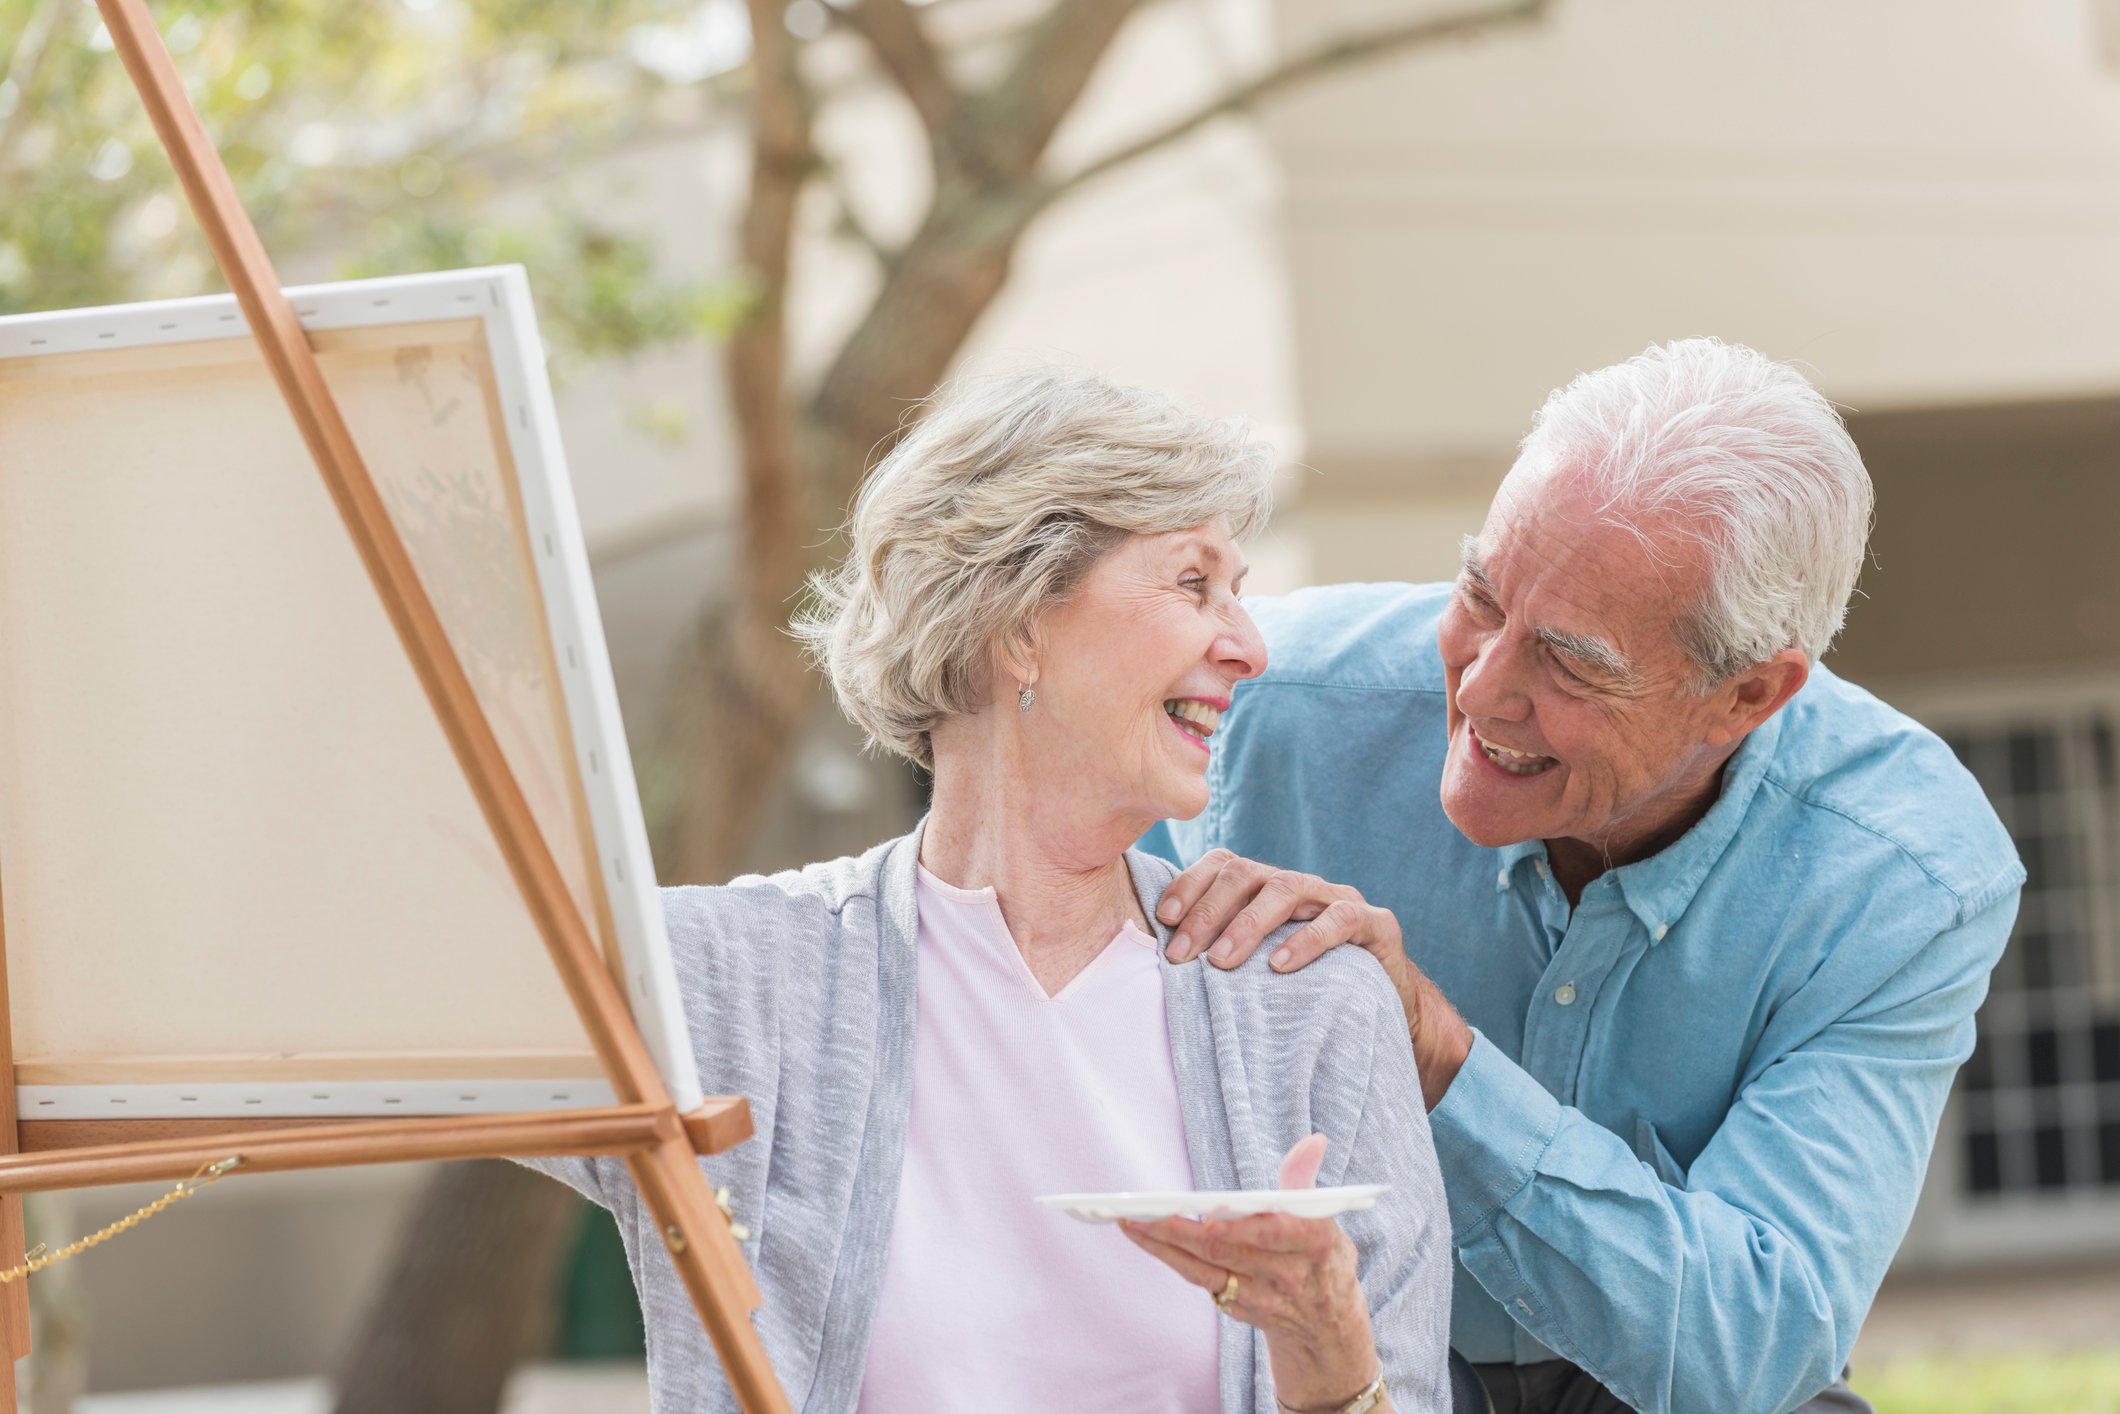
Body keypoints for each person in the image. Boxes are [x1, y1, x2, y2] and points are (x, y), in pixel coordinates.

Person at [524, 367, 1453, 1413]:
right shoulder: (721, 983)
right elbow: (380, 1025)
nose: (1248, 644)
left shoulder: (1301, 997)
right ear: (1016, 621)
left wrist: (1329, 1358)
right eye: (1193, 584)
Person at [1146, 339, 2022, 1414]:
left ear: (1745, 695)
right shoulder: (1266, 705)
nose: (1481, 689)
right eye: (1479, 593)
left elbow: (1754, 1348)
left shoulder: (1899, 870)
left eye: (1568, 661)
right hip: (1336, 1354)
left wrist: (1438, 1058)